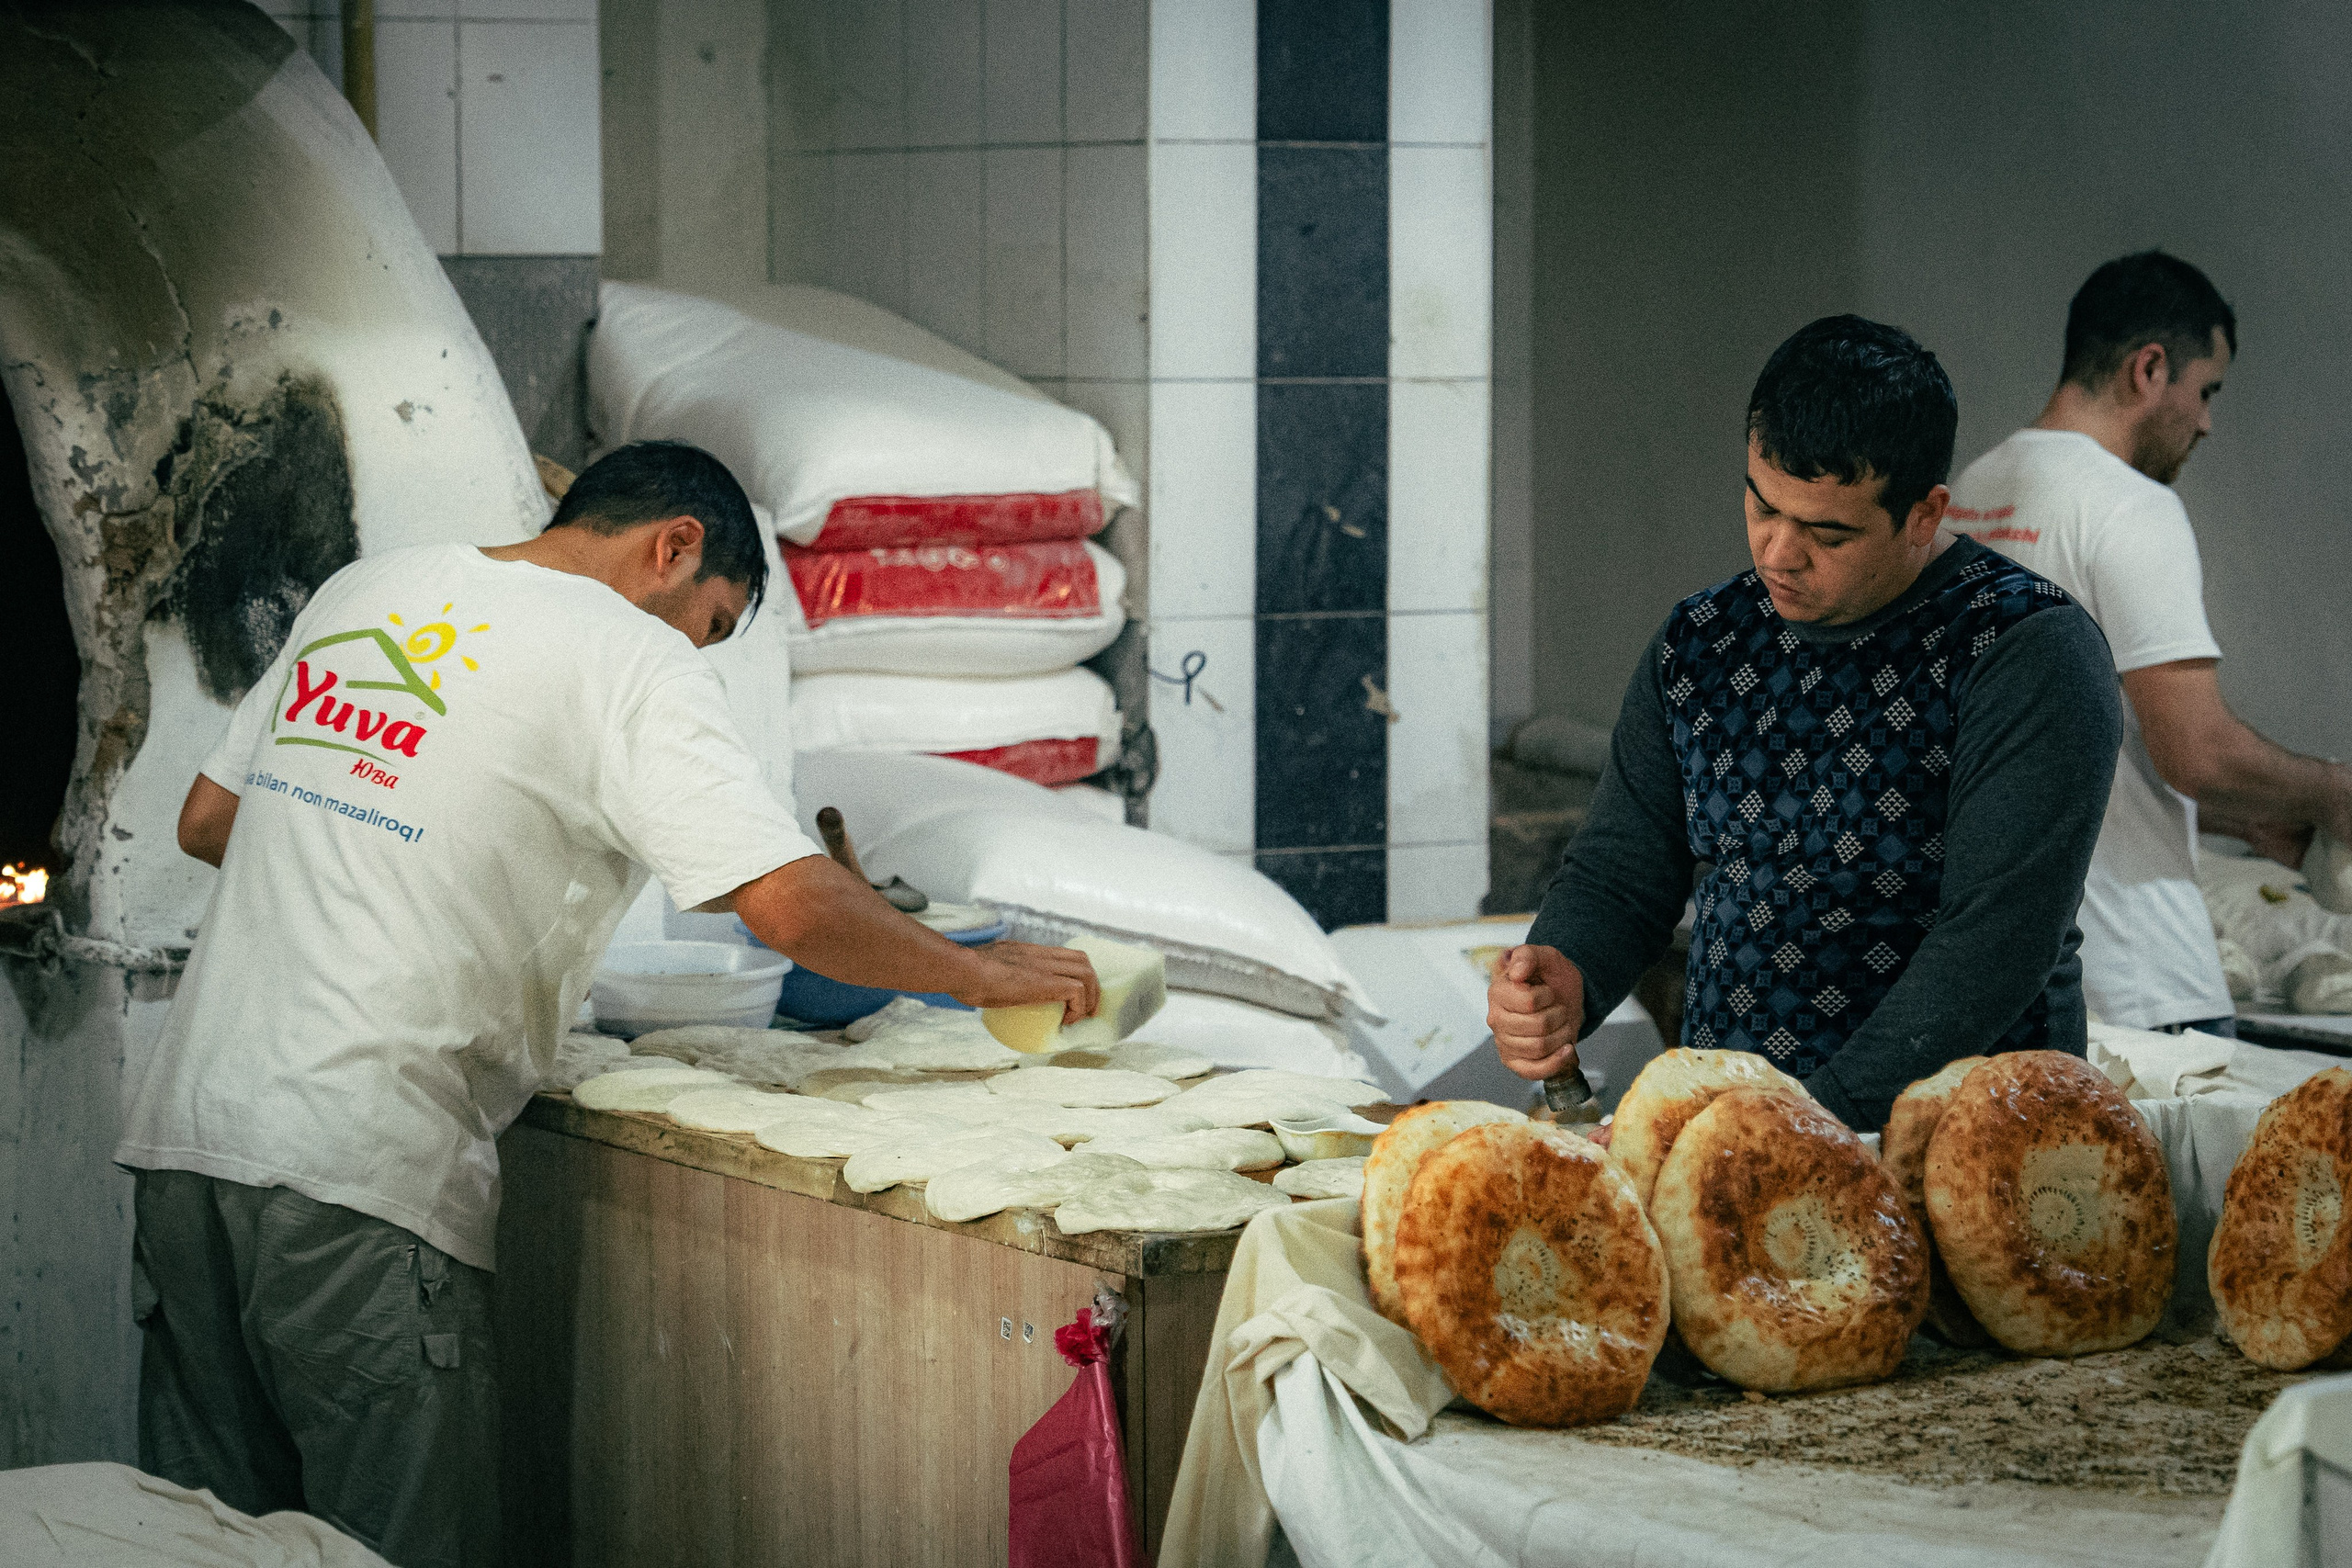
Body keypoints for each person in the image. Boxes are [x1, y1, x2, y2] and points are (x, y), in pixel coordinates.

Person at [113, 441, 1099, 1566]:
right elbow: (784, 905)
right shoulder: (629, 653)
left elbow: (207, 820)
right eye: (713, 622)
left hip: (186, 1140)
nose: (700, 652)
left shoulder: (369, 589)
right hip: (357, 1164)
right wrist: (979, 972)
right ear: (674, 547)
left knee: (199, 1548)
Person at [1487, 317, 2120, 1133]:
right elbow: (1621, 872)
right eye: (1762, 505)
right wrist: (1568, 968)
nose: (1779, 553)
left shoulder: (2026, 650)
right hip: (1738, 1148)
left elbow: (1991, 949)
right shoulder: (1704, 641)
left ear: (1925, 514)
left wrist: (1801, 1121)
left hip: (1968, 1149)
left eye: (1828, 533)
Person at [1944, 251, 2352, 1036]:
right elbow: (2193, 750)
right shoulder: (2130, 506)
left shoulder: (1971, 494)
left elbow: (2051, 749)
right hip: (2142, 982)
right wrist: (2331, 789)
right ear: (2150, 368)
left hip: (2013, 976)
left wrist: (2245, 818)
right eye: (2206, 392)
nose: (2205, 421)